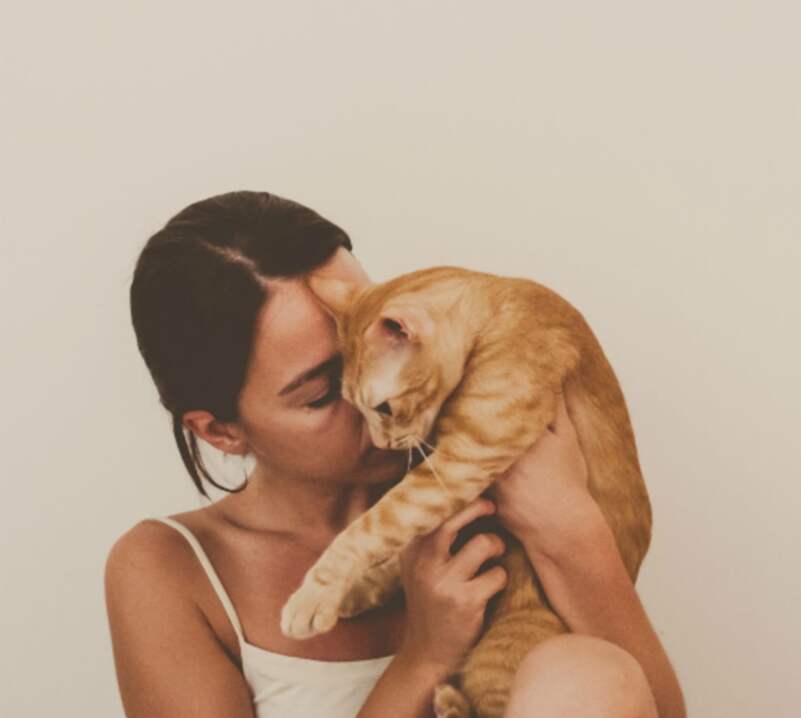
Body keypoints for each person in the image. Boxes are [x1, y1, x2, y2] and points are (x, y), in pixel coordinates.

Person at [105, 190, 686, 718]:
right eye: (323, 395)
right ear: (219, 431)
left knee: (583, 672)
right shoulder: (170, 569)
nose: (374, 406)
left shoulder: (475, 460)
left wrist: (570, 531)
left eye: (377, 338)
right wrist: (424, 657)